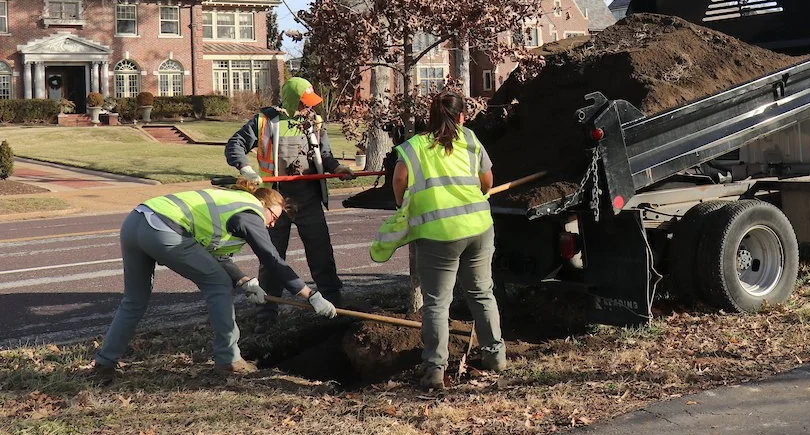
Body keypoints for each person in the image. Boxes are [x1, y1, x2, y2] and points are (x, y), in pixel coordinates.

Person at [92, 184, 338, 382]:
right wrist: (309, 294)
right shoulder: (250, 211)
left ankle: (105, 361)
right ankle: (228, 358)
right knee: (218, 285)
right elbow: (272, 259)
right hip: (164, 228)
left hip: (136, 221)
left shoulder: (228, 207)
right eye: (275, 216)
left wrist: (244, 281)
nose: (273, 223)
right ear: (265, 204)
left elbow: (216, 256)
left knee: (134, 299)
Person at [370, 91, 505, 390]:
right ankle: (495, 357)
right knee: (482, 293)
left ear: (429, 116)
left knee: (437, 304)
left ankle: (434, 370)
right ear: (461, 116)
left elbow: (399, 181)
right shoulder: (470, 139)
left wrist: (402, 203)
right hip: (479, 228)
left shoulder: (414, 147)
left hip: (437, 236)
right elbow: (488, 182)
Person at [225, 77, 354, 325]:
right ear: (293, 100)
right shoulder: (264, 121)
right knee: (272, 258)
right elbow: (235, 144)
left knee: (322, 254)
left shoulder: (314, 122)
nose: (309, 109)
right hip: (275, 201)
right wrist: (245, 168)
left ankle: (334, 307)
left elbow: (324, 154)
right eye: (304, 104)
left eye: (310, 104)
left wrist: (337, 167)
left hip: (309, 199)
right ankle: (267, 316)